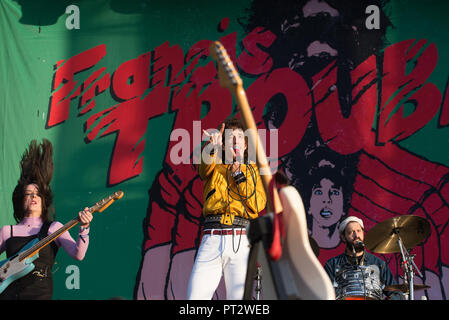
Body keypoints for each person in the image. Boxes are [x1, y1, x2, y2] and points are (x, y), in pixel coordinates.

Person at [0, 139, 93, 300]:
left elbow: (78, 254)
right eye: (28, 194)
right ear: (21, 200)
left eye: (37, 194)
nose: (33, 196)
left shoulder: (54, 228)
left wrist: (84, 227)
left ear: (44, 200)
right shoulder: (8, 231)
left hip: (39, 294)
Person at [186, 117, 266, 300]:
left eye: (240, 136)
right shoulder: (214, 165)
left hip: (240, 239)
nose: (236, 140)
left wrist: (238, 174)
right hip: (212, 237)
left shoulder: (253, 170)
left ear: (245, 145)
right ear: (223, 144)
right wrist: (212, 146)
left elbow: (256, 205)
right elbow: (203, 169)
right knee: (195, 299)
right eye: (231, 137)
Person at [323, 216, 402, 300]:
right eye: (351, 232)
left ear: (363, 233)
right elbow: (324, 293)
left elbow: (397, 294)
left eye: (358, 231)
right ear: (343, 237)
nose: (356, 235)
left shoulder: (378, 264)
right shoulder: (332, 265)